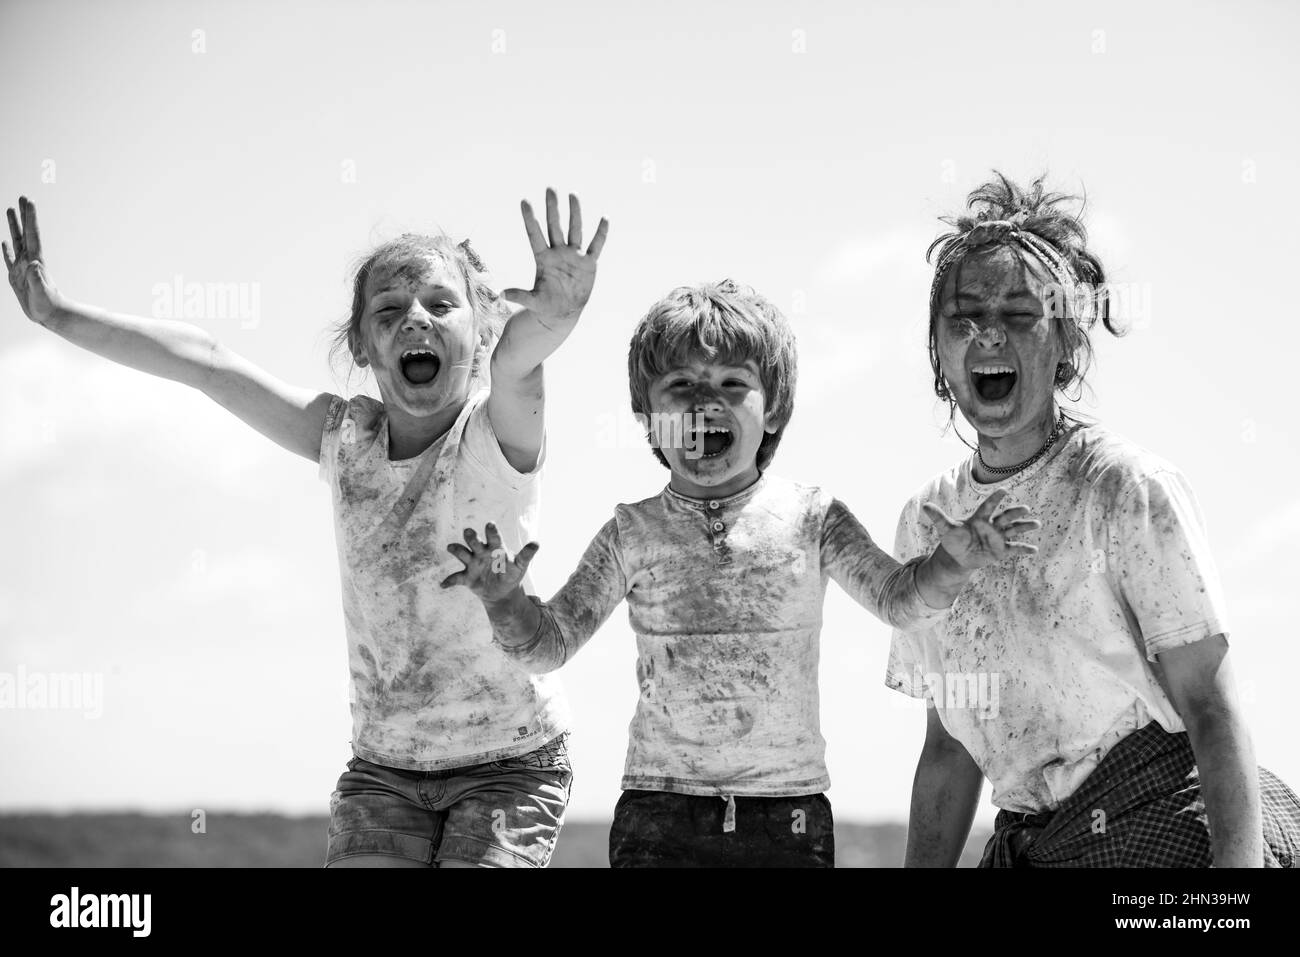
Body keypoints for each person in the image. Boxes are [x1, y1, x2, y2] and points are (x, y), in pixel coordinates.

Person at [3, 190, 609, 868]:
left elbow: (520, 364)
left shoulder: (496, 436)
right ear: (360, 342)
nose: (415, 318)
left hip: (511, 761)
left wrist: (556, 316)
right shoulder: (345, 440)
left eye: (441, 305)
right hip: (385, 769)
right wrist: (58, 314)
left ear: (485, 328)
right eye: (390, 310)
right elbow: (205, 362)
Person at [442, 279, 1038, 867]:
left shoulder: (813, 518)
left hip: (788, 813)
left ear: (773, 411)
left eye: (733, 383)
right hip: (659, 810)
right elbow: (548, 644)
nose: (708, 402)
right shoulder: (632, 532)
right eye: (680, 386)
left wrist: (950, 565)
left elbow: (899, 601)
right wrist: (504, 601)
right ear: (646, 417)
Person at [888, 172, 1300, 867]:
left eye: (1020, 314)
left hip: (1162, 820)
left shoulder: (1125, 489)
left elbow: (1209, 702)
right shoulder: (927, 526)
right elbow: (950, 746)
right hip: (1033, 838)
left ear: (1066, 348)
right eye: (964, 317)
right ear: (940, 360)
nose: (989, 333)